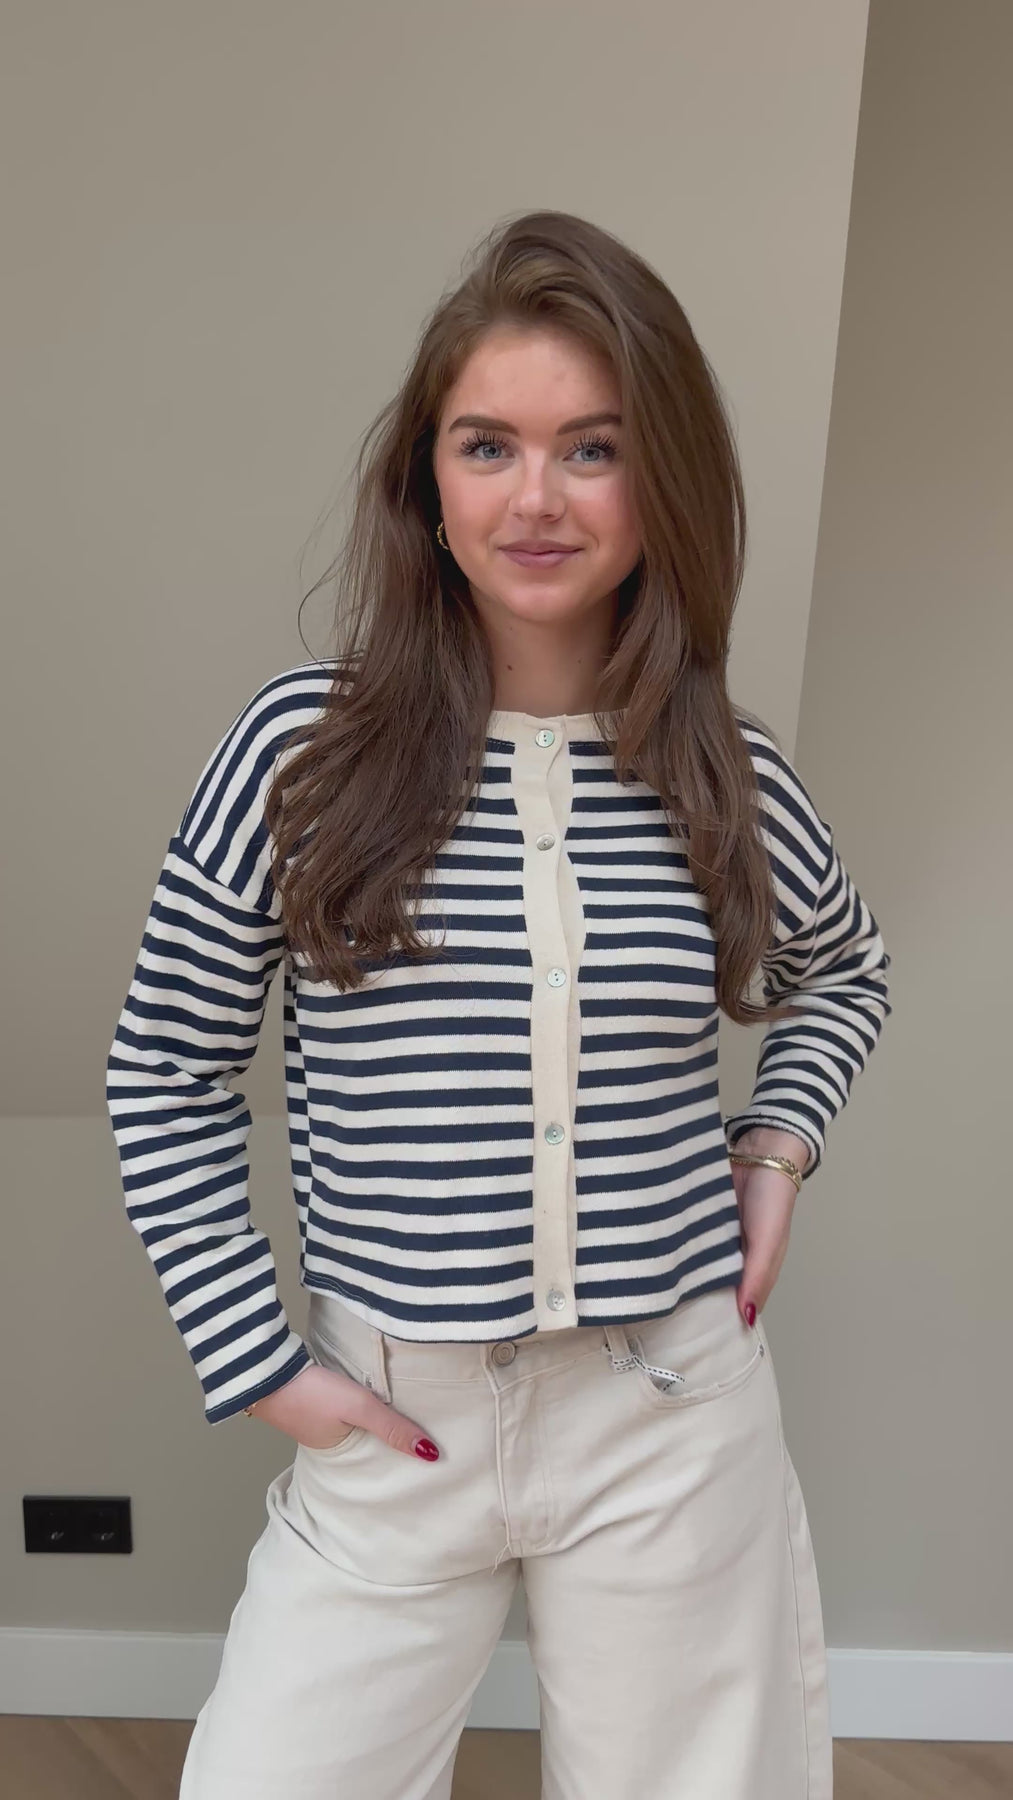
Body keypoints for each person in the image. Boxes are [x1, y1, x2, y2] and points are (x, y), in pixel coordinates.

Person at [105, 209, 891, 1800]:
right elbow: (165, 1072)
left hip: (670, 1415)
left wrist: (776, 1145)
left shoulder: (722, 770)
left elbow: (842, 968)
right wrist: (257, 1356)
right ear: (427, 480)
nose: (535, 498)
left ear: (661, 483)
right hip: (394, 1417)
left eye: (592, 448)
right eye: (488, 446)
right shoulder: (299, 757)